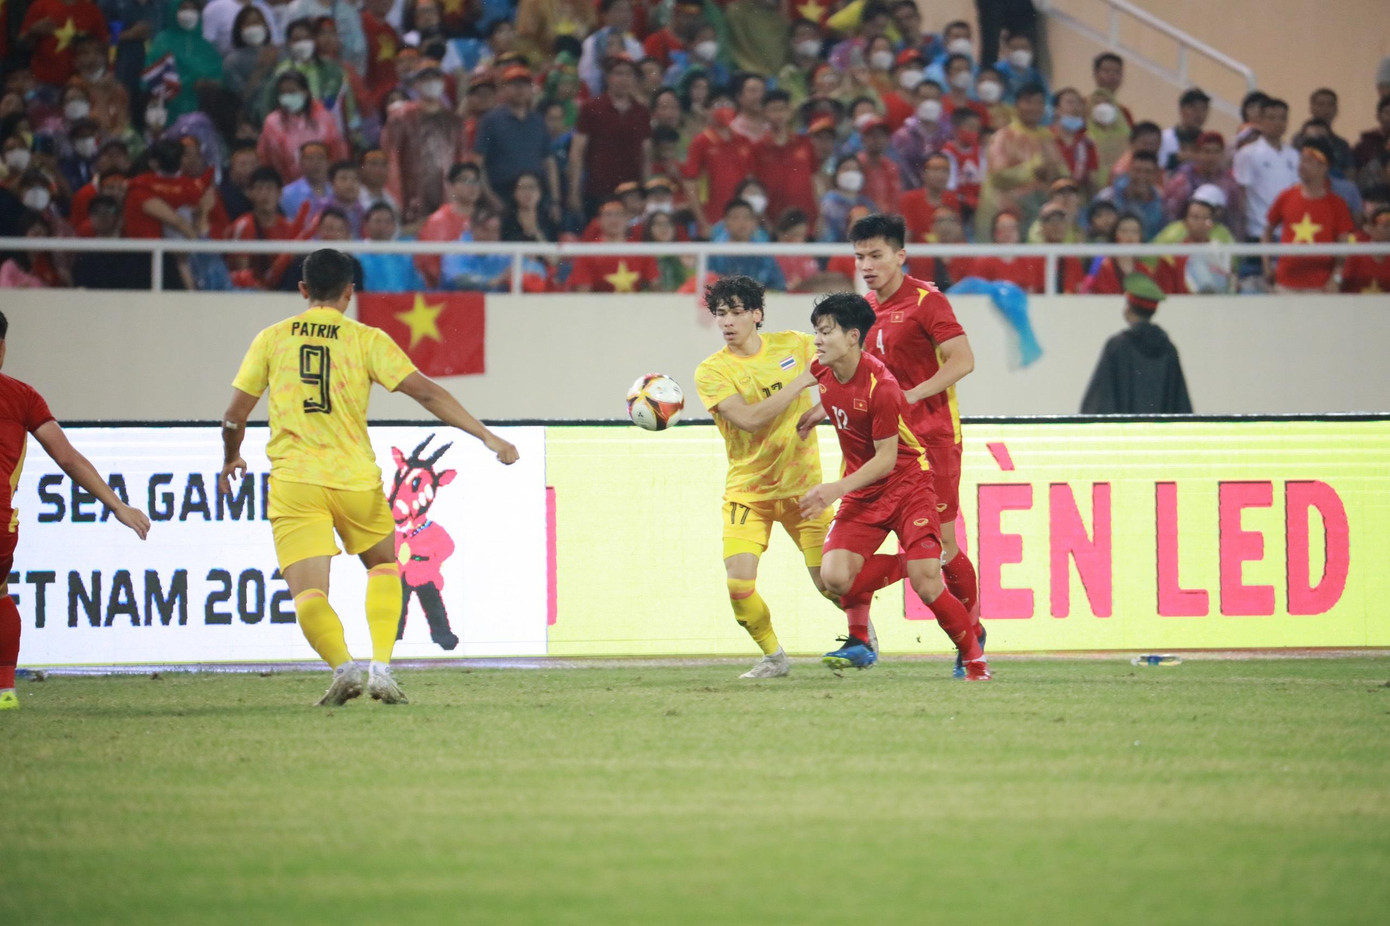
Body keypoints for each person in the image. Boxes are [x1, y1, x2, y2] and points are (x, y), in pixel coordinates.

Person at [218, 248, 519, 707]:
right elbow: (427, 393)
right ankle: (381, 667)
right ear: (349, 292)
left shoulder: (271, 340)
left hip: (297, 483)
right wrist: (486, 436)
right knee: (383, 566)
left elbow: (233, 418)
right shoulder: (366, 339)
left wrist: (232, 457)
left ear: (303, 290)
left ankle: (343, 668)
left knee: (309, 593)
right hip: (355, 480)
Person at [799, 292, 988, 679]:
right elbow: (803, 389)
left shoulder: (882, 387)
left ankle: (974, 659)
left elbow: (886, 459)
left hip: (907, 486)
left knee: (928, 586)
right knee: (834, 579)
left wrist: (835, 488)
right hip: (865, 491)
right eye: (816, 331)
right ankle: (909, 567)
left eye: (826, 331)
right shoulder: (822, 369)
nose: (817, 340)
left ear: (853, 337)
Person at [845, 213, 985, 674]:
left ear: (900, 256)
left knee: (943, 545)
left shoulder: (928, 301)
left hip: (933, 439)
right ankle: (859, 639)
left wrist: (910, 395)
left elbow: (963, 361)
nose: (867, 265)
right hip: (885, 447)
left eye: (876, 255)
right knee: (854, 544)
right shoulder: (863, 310)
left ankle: (972, 633)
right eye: (860, 257)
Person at [0, 309, 151, 710]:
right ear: (2, 348)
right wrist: (117, 505)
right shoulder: (22, 396)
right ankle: (4, 691)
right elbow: (67, 457)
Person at [692, 275, 832, 678]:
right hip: (748, 493)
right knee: (738, 586)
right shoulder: (712, 371)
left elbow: (851, 365)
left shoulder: (795, 345)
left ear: (757, 314)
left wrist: (825, 407)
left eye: (736, 312)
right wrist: (802, 382)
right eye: (721, 313)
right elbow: (750, 419)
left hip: (805, 489)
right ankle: (774, 657)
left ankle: (862, 632)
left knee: (831, 584)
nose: (727, 321)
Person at [1080, 273, 1191, 414]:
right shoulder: (1168, 350)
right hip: (1159, 429)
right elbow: (1180, 404)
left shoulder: (1117, 347)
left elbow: (1100, 401)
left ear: (1129, 308)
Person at [1261, 138, 1356, 293]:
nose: (1301, 165)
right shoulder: (1286, 196)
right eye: (1301, 160)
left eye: (1308, 161)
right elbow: (1267, 232)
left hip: (1322, 287)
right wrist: (1267, 267)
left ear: (1324, 167)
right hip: (1285, 284)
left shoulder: (1338, 204)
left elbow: (1344, 247)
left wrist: (1335, 278)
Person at [1233, 97, 1299, 241]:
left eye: (1282, 118)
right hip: (1257, 230)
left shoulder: (1294, 155)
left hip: (1288, 231)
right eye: (1271, 118)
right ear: (1261, 121)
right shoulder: (1247, 153)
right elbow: (1241, 193)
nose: (1277, 123)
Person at [709, 199, 786, 291]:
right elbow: (708, 283)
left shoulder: (763, 252)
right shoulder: (713, 252)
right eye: (735, 218)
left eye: (746, 217)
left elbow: (777, 285)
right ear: (725, 222)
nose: (742, 223)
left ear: (754, 222)